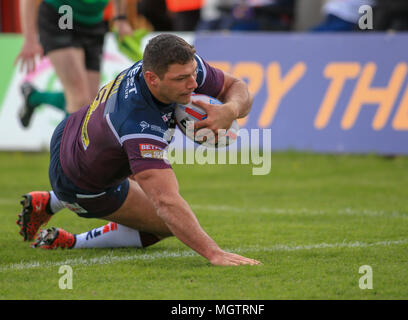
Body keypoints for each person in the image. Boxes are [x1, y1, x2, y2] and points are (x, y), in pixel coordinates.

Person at [17, 34, 260, 267]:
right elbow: (166, 203)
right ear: (153, 78)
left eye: (193, 74)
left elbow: (236, 85)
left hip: (72, 132)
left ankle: (49, 203)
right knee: (165, 224)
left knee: (128, 167)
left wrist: (231, 108)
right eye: (181, 79)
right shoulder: (138, 122)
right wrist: (213, 253)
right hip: (80, 183)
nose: (193, 84)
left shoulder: (172, 64)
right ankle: (71, 242)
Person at [15, 0, 133, 128]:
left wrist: (120, 19)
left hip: (94, 20)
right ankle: (65, 148)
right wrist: (30, 39)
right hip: (63, 14)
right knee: (79, 100)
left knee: (90, 104)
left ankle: (33, 97)